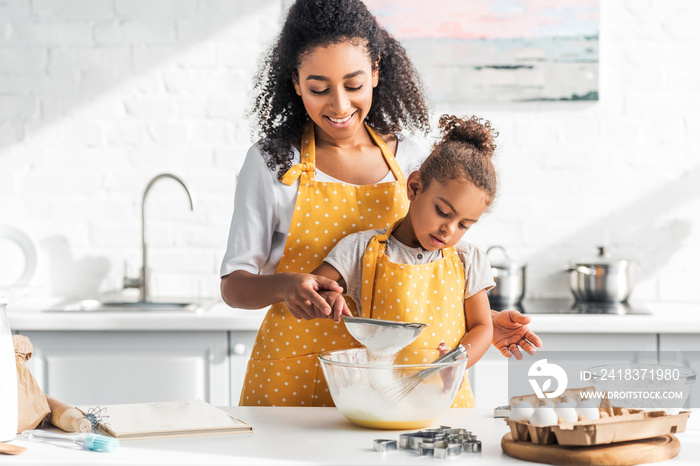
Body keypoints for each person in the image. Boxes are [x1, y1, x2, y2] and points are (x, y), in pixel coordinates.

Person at [220, 0, 541, 407]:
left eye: (353, 85)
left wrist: (481, 326)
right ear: (296, 83)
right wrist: (286, 286)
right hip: (295, 375)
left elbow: (429, 270)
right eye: (319, 88)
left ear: (375, 73)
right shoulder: (273, 163)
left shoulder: (408, 158)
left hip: (395, 381)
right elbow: (234, 288)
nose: (339, 106)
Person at [312, 114, 499, 407]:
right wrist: (326, 298)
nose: (449, 230)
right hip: (381, 399)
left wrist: (456, 362)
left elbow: (482, 327)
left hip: (445, 400)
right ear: (414, 187)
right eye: (443, 211)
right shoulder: (363, 249)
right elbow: (315, 287)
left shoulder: (468, 259)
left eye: (465, 224)